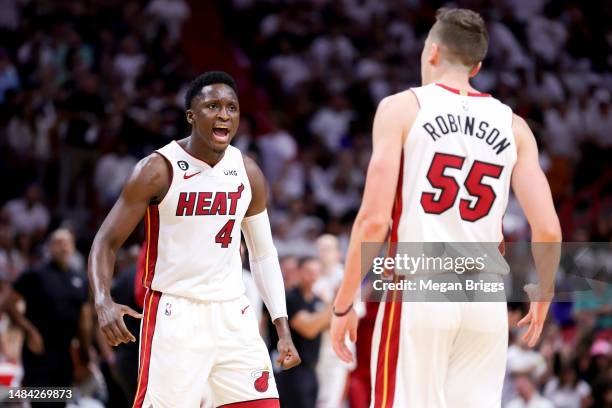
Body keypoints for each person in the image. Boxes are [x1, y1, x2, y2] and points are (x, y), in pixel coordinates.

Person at [331, 8, 562, 408]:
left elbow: (372, 222)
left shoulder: (402, 108)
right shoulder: (514, 126)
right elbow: (548, 230)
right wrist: (544, 291)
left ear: (432, 52)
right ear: (477, 66)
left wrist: (344, 302)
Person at [88, 71, 300, 408]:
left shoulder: (248, 171)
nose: (224, 115)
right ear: (191, 116)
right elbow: (105, 242)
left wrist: (281, 326)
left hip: (234, 315)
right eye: (213, 106)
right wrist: (102, 300)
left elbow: (263, 255)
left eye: (232, 107)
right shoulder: (157, 169)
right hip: (176, 315)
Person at [7, 229, 91, 403]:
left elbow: (84, 318)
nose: (63, 247)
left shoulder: (80, 278)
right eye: (59, 243)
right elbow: (9, 304)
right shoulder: (35, 274)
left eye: (67, 243)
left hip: (66, 354)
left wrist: (85, 353)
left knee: (60, 401)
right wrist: (30, 331)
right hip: (38, 352)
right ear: (50, 247)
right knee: (41, 401)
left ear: (73, 247)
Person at [276, 257, 331, 408]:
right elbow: (309, 329)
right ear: (298, 272)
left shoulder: (318, 300)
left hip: (312, 369)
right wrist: (332, 305)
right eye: (309, 272)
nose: (314, 276)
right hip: (291, 372)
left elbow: (331, 325)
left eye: (317, 272)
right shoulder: (290, 298)